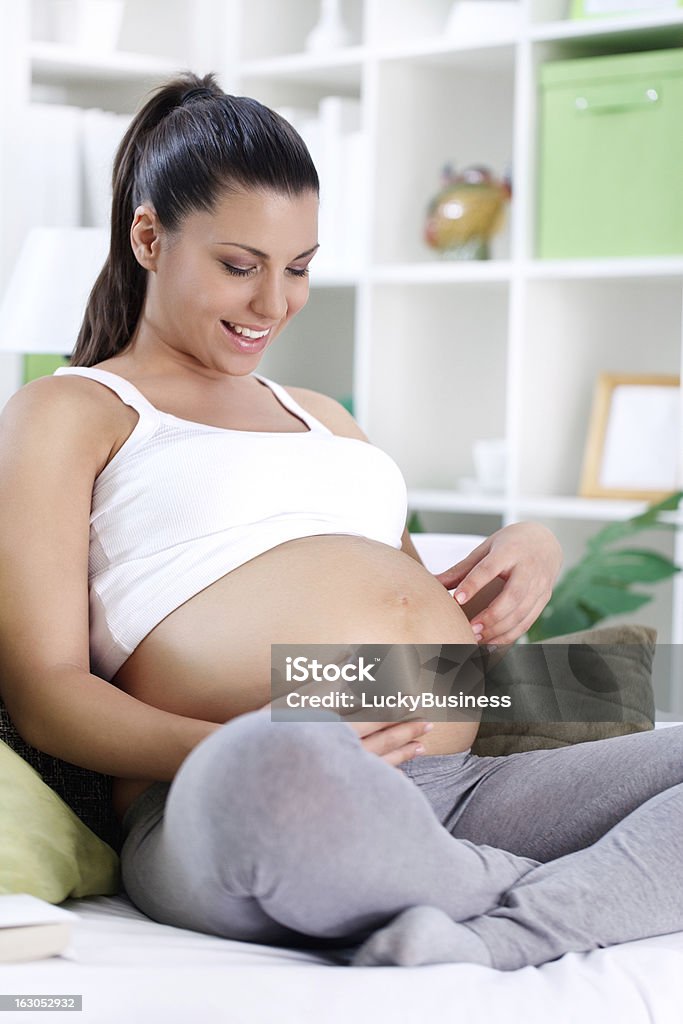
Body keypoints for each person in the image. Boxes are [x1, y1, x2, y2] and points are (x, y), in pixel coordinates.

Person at [0, 71, 682, 971]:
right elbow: (46, 695)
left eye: (299, 268)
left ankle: (504, 930)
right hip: (242, 783)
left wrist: (526, 553)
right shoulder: (72, 410)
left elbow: (419, 642)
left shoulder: (327, 418)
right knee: (285, 780)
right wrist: (263, 740)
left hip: (457, 786)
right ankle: (566, 894)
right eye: (239, 267)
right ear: (149, 236)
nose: (273, 304)